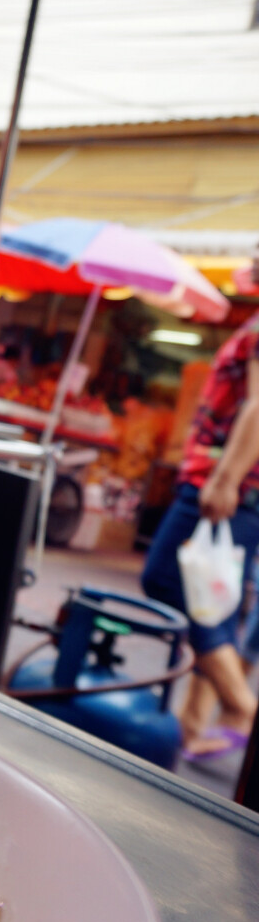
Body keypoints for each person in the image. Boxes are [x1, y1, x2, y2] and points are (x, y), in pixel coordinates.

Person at [142, 261, 259, 761]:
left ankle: (239, 705)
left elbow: (258, 406)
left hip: (224, 482)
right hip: (236, 483)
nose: (249, 263)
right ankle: (193, 724)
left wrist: (226, 478)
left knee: (168, 578)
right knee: (216, 600)